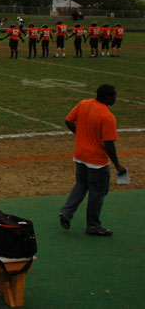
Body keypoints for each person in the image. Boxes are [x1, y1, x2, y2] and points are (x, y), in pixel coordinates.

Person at [59, 84, 126, 236]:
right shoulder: (107, 116)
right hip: (96, 161)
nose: (115, 98)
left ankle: (66, 212)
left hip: (80, 155)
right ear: (108, 97)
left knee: (81, 184)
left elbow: (68, 121)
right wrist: (117, 164)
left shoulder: (84, 104)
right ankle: (93, 225)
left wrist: (80, 134)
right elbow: (109, 143)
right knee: (98, 192)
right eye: (114, 96)